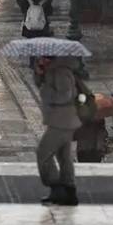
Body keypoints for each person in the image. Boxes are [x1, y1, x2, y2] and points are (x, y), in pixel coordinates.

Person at [34, 56, 82, 205]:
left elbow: (65, 95)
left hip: (62, 120)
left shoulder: (61, 72)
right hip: (61, 119)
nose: (39, 58)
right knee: (64, 156)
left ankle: (56, 187)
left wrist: (46, 92)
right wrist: (39, 72)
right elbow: (39, 84)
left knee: (43, 152)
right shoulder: (51, 70)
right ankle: (69, 190)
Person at [18, 0, 54, 69]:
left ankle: (32, 62)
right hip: (42, 27)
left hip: (30, 27)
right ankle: (41, 62)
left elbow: (23, 9)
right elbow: (50, 11)